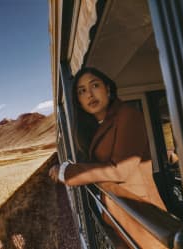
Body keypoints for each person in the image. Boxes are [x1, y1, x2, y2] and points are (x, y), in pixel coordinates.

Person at [49, 67, 164, 207]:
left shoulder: (127, 115)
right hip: (117, 209)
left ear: (108, 89)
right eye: (82, 91)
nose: (89, 95)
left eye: (95, 85)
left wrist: (67, 172)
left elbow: (120, 170)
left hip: (141, 211)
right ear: (79, 101)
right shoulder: (97, 126)